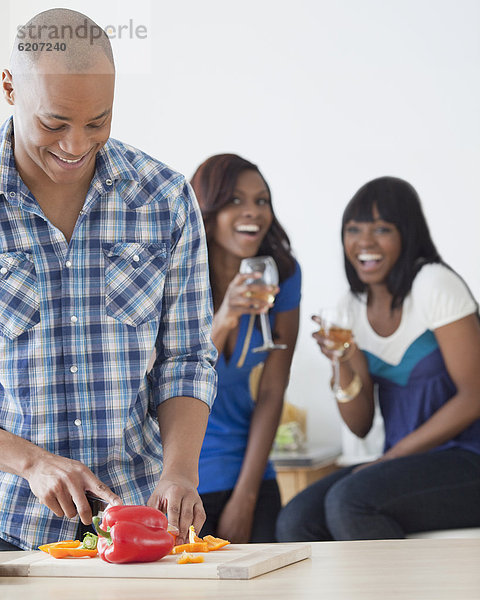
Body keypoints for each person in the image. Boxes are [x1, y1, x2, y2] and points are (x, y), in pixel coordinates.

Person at [0, 9, 217, 551]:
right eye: (54, 123)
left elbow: (186, 357)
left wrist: (180, 472)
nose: (76, 145)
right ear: (9, 88)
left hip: (137, 522)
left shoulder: (164, 199)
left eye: (97, 122)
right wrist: (31, 463)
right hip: (9, 526)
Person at [276, 176, 480, 541]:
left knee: (351, 501)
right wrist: (343, 360)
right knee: (296, 519)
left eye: (382, 228)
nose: (364, 242)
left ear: (407, 234)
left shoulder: (433, 284)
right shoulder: (349, 309)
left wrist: (390, 459)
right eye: (353, 229)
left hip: (467, 458)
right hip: (404, 462)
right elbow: (360, 425)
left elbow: (474, 395)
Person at [190, 154, 301, 542]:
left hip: (250, 469)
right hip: (182, 476)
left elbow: (273, 391)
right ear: (207, 208)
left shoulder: (281, 274)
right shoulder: (175, 276)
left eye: (261, 200)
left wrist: (246, 497)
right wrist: (224, 318)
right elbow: (166, 382)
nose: (252, 212)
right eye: (234, 200)